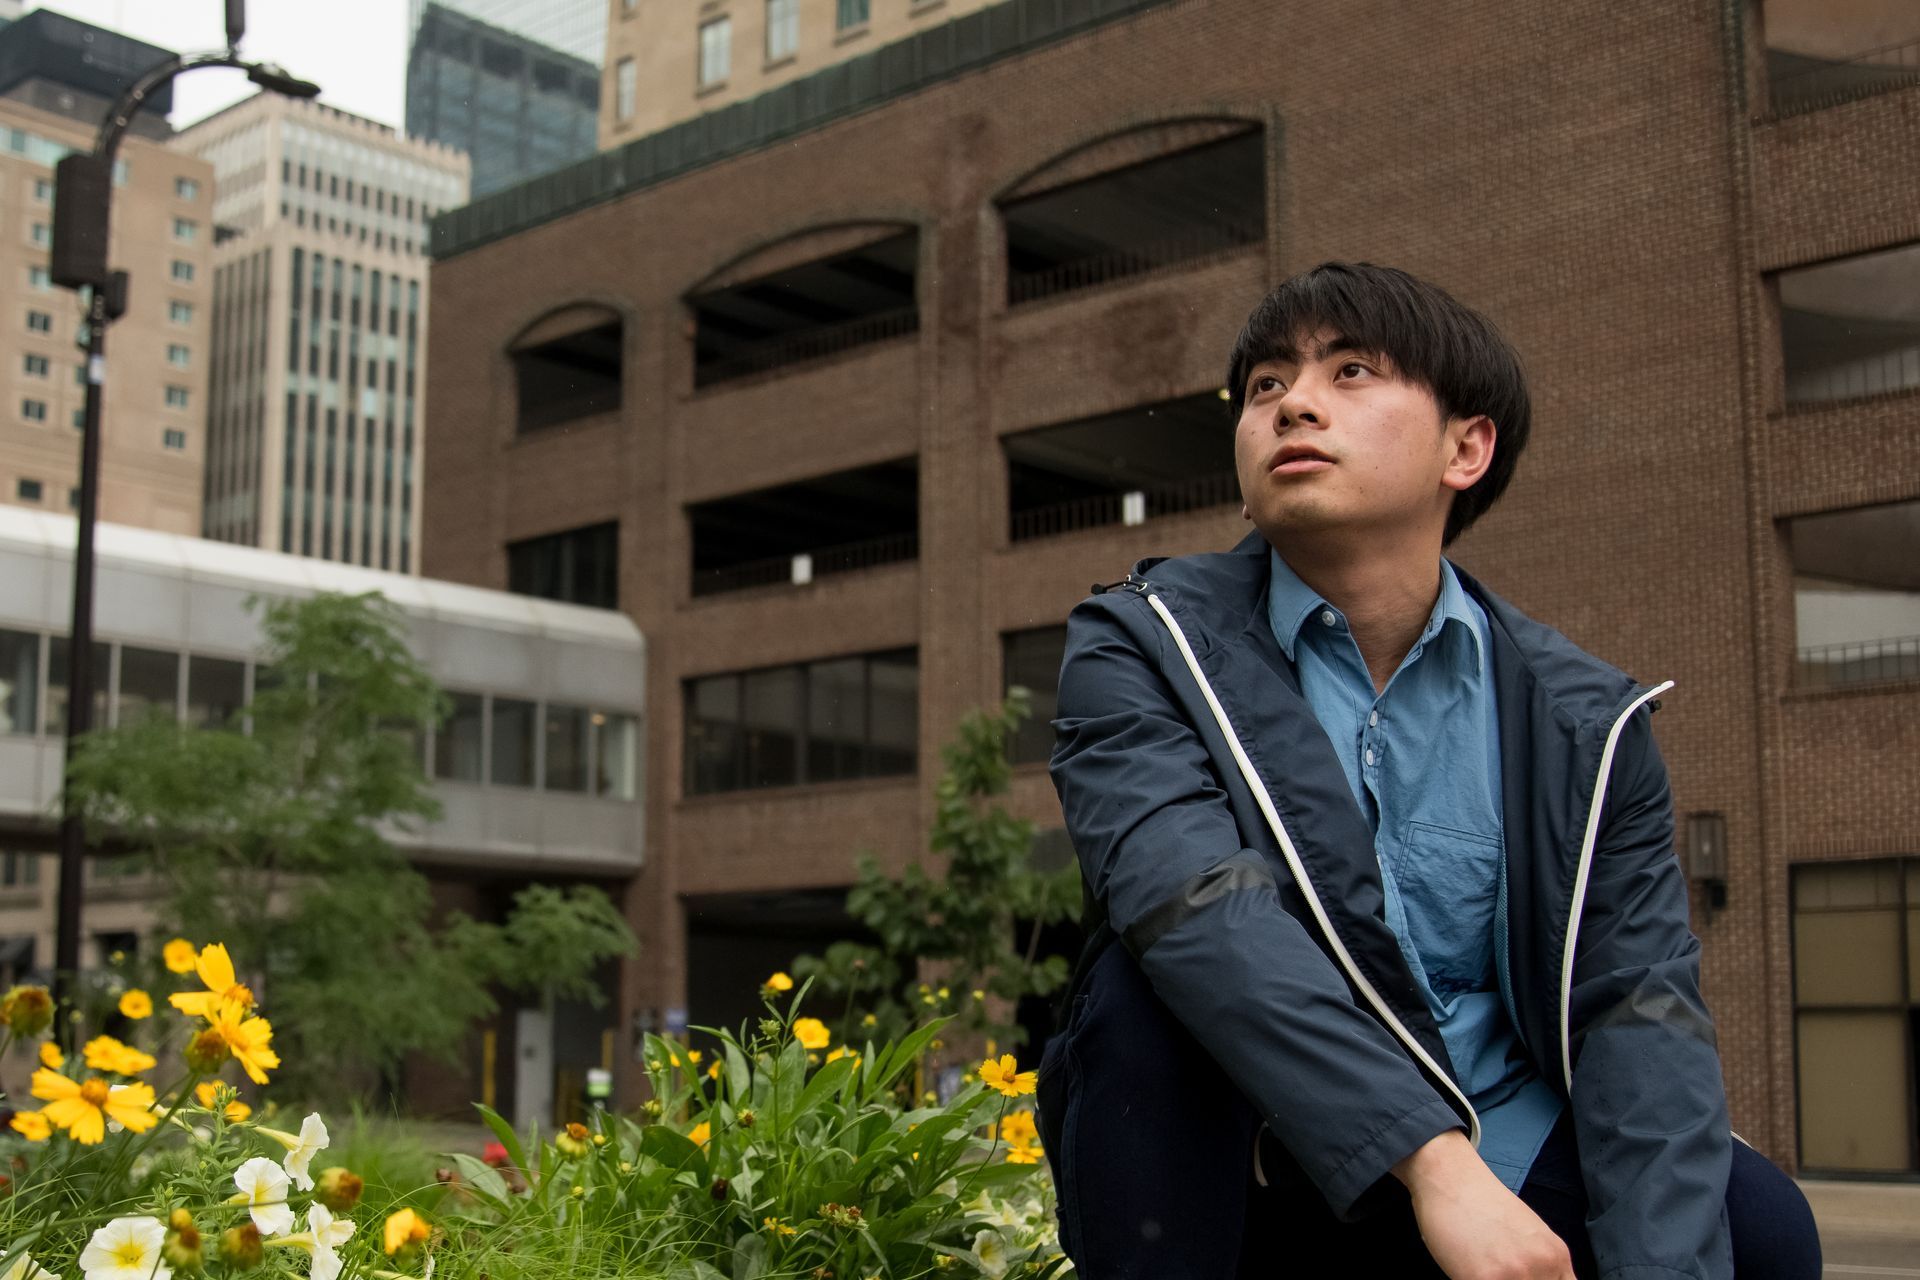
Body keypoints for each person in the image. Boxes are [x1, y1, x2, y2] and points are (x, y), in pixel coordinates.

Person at [1034, 262, 1821, 1280]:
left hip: (1499, 1133)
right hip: (1258, 1152)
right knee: (1144, 998)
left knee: (1754, 1231)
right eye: (1266, 385)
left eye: (1352, 370)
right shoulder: (1142, 643)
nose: (1294, 403)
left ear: (1467, 447)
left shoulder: (1584, 717)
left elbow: (1635, 1004)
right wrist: (1435, 1164)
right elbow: (1195, 907)